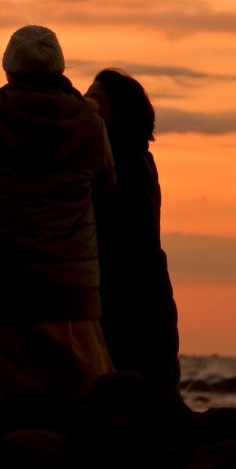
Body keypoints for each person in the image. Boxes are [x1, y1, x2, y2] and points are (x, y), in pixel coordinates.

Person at [0, 26, 115, 394]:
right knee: (83, 395)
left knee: (8, 395)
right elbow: (108, 181)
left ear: (8, 70)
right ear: (60, 69)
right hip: (71, 286)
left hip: (0, 281)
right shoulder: (90, 125)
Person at [87, 68, 182, 393]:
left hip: (134, 301)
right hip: (131, 296)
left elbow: (131, 241)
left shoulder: (125, 162)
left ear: (119, 110)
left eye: (94, 98)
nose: (85, 103)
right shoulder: (122, 157)